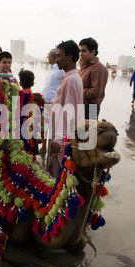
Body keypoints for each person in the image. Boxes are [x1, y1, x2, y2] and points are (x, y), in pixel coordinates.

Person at [46, 40, 84, 178]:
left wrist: (59, 139)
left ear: (69, 57)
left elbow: (70, 111)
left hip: (63, 136)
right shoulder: (72, 77)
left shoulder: (70, 80)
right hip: (63, 133)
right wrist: (46, 103)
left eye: (60, 56)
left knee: (59, 176)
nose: (57, 60)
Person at [40, 48, 64, 154]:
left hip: (53, 102)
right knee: (44, 126)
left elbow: (61, 88)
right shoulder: (51, 69)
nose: (47, 56)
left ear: (55, 57)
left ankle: (52, 148)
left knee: (53, 127)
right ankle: (44, 146)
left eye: (49, 54)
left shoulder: (60, 70)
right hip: (45, 102)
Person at [79, 37, 108, 120]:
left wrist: (79, 90)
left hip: (91, 108)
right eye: (80, 51)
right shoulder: (86, 67)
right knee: (79, 132)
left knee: (89, 132)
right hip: (83, 106)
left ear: (93, 52)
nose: (81, 54)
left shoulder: (98, 68)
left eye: (84, 51)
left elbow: (95, 93)